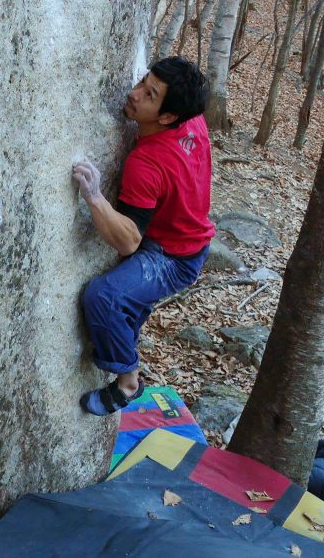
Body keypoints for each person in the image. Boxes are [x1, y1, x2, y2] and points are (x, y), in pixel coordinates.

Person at [72, 56, 215, 416]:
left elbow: (129, 242)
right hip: (187, 238)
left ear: (167, 117)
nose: (134, 94)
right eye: (142, 81)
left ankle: (127, 381)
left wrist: (94, 196)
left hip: (172, 257)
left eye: (149, 94)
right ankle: (126, 329)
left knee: (103, 296)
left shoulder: (146, 163)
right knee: (127, 297)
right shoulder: (192, 119)